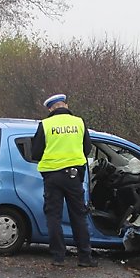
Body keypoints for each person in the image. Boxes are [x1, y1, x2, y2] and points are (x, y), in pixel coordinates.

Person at [31, 93, 96, 267]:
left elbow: (36, 153)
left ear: (51, 109)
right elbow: (87, 148)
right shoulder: (79, 122)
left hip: (52, 177)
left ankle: (58, 257)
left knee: (54, 216)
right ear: (65, 105)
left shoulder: (45, 125)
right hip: (74, 176)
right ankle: (85, 258)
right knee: (78, 216)